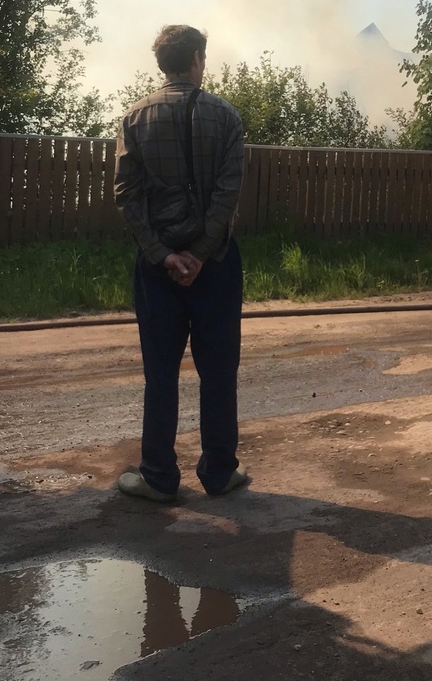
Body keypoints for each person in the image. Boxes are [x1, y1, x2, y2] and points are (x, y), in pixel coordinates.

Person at [112, 25, 247, 503]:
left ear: (162, 63)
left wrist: (164, 255)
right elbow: (228, 194)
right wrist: (202, 254)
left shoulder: (134, 118)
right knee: (218, 372)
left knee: (161, 374)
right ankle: (219, 473)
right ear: (195, 59)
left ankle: (158, 477)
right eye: (202, 57)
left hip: (158, 271)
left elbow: (127, 197)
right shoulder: (226, 117)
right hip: (217, 267)